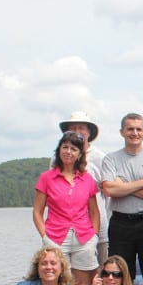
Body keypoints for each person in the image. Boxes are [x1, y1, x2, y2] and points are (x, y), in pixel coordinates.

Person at [101, 113, 143, 279]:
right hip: (121, 223)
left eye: (139, 129)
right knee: (119, 273)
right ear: (122, 132)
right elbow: (109, 190)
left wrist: (123, 185)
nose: (134, 133)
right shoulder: (111, 159)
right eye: (130, 129)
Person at [33, 130, 101, 285]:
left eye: (73, 149)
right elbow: (37, 212)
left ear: (79, 154)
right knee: (57, 284)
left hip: (84, 238)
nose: (68, 152)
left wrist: (95, 236)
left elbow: (94, 212)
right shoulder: (46, 178)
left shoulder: (87, 179)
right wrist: (45, 236)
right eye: (65, 147)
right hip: (55, 237)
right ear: (59, 150)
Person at [59, 112, 109, 264]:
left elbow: (107, 192)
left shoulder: (100, 157)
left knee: (102, 270)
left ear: (89, 132)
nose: (77, 131)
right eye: (73, 128)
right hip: (67, 229)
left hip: (99, 228)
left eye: (81, 128)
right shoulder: (57, 159)